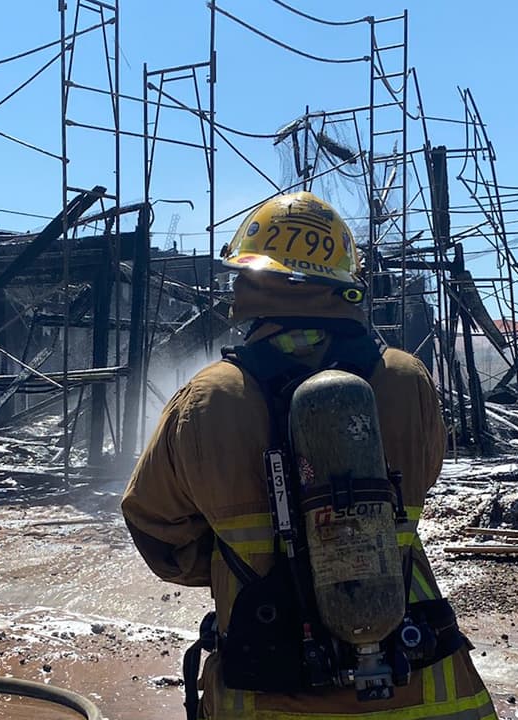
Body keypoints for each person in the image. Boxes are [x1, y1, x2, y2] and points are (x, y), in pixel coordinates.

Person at [121, 191, 496, 720]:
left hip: (269, 690)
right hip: (422, 687)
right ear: (346, 282)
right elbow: (424, 481)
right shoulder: (407, 381)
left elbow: (156, 529)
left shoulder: (209, 397)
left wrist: (246, 566)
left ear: (247, 285)